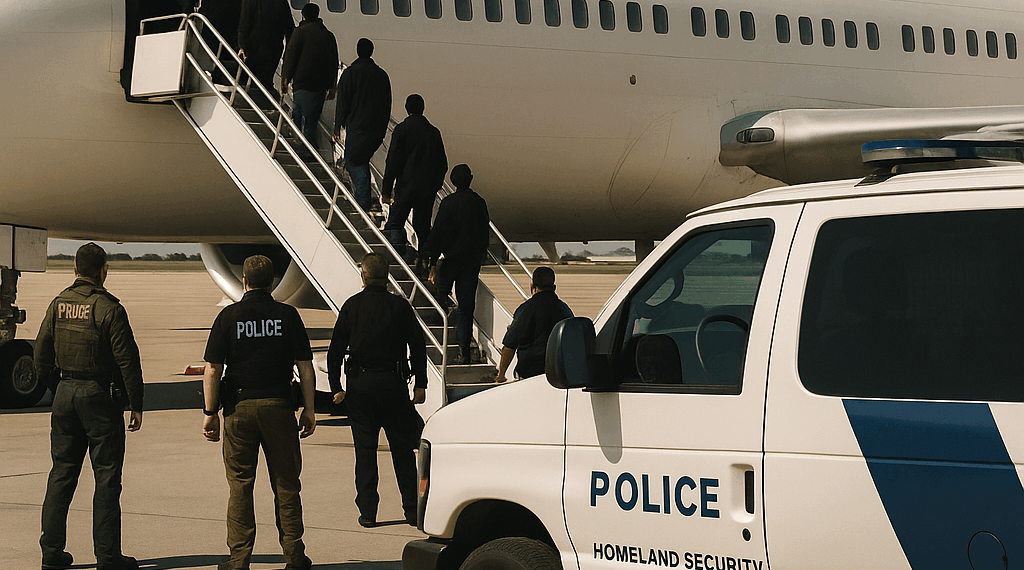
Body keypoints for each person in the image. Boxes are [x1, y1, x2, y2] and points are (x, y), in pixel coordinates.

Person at [201, 255, 316, 570]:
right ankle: (294, 556)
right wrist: (309, 409)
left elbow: (213, 369)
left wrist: (210, 412)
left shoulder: (229, 316)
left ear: (244, 281)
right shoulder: (287, 315)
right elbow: (305, 368)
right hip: (279, 407)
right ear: (272, 282)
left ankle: (239, 559)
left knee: (240, 485)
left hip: (239, 409)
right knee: (287, 484)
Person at [35, 242, 144, 570]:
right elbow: (127, 360)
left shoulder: (58, 304)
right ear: (103, 270)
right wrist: (135, 403)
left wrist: (57, 387)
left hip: (65, 393)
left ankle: (51, 552)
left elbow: (41, 354)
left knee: (62, 473)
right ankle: (107, 556)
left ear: (75, 269)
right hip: (99, 398)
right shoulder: (109, 309)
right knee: (107, 478)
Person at [327, 252, 426, 527]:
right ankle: (412, 510)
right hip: (393, 385)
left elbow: (335, 351)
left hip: (360, 386)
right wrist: (420, 383)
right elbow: (418, 346)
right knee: (403, 452)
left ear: (363, 274)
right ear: (387, 275)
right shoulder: (400, 307)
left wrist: (336, 387)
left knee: (365, 452)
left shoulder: (351, 306)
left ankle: (368, 512)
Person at [424, 164, 490, 364]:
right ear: (470, 179)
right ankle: (464, 352)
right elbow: (484, 231)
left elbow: (438, 231)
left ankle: (440, 320)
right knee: (466, 307)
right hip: (471, 262)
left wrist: (432, 260)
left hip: (451, 259)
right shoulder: (479, 202)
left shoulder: (448, 203)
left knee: (441, 294)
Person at [382, 94, 448, 272]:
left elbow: (393, 162)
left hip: (406, 186)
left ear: (407, 109)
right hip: (426, 189)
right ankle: (423, 260)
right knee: (422, 226)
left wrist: (386, 190)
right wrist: (435, 185)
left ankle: (397, 255)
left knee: (396, 222)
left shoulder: (402, 130)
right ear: (423, 109)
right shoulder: (433, 132)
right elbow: (442, 164)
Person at [333, 38, 392, 212]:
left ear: (358, 51)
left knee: (353, 162)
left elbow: (342, 102)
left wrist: (338, 126)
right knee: (361, 160)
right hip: (376, 130)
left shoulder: (350, 73)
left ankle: (362, 203)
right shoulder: (382, 75)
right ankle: (362, 199)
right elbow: (387, 104)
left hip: (358, 127)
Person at [495, 266, 573, 383]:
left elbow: (509, 346)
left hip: (530, 373)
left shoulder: (525, 309)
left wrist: (501, 374)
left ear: (532, 287)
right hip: (558, 373)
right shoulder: (564, 309)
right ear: (554, 287)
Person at [281, 3, 339, 153]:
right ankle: (308, 149)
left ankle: (299, 148)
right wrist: (332, 86)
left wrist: (285, 79)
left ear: (303, 16)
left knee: (298, 115)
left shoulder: (299, 33)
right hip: (319, 87)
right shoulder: (328, 36)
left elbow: (290, 58)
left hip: (301, 82)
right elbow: (333, 62)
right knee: (311, 120)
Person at [237, 0, 294, 107]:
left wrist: (242, 45)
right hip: (274, 47)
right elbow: (289, 28)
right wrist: (287, 51)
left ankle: (252, 101)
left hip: (254, 46)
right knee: (266, 79)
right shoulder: (281, 2)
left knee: (252, 78)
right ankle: (266, 101)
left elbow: (244, 23)